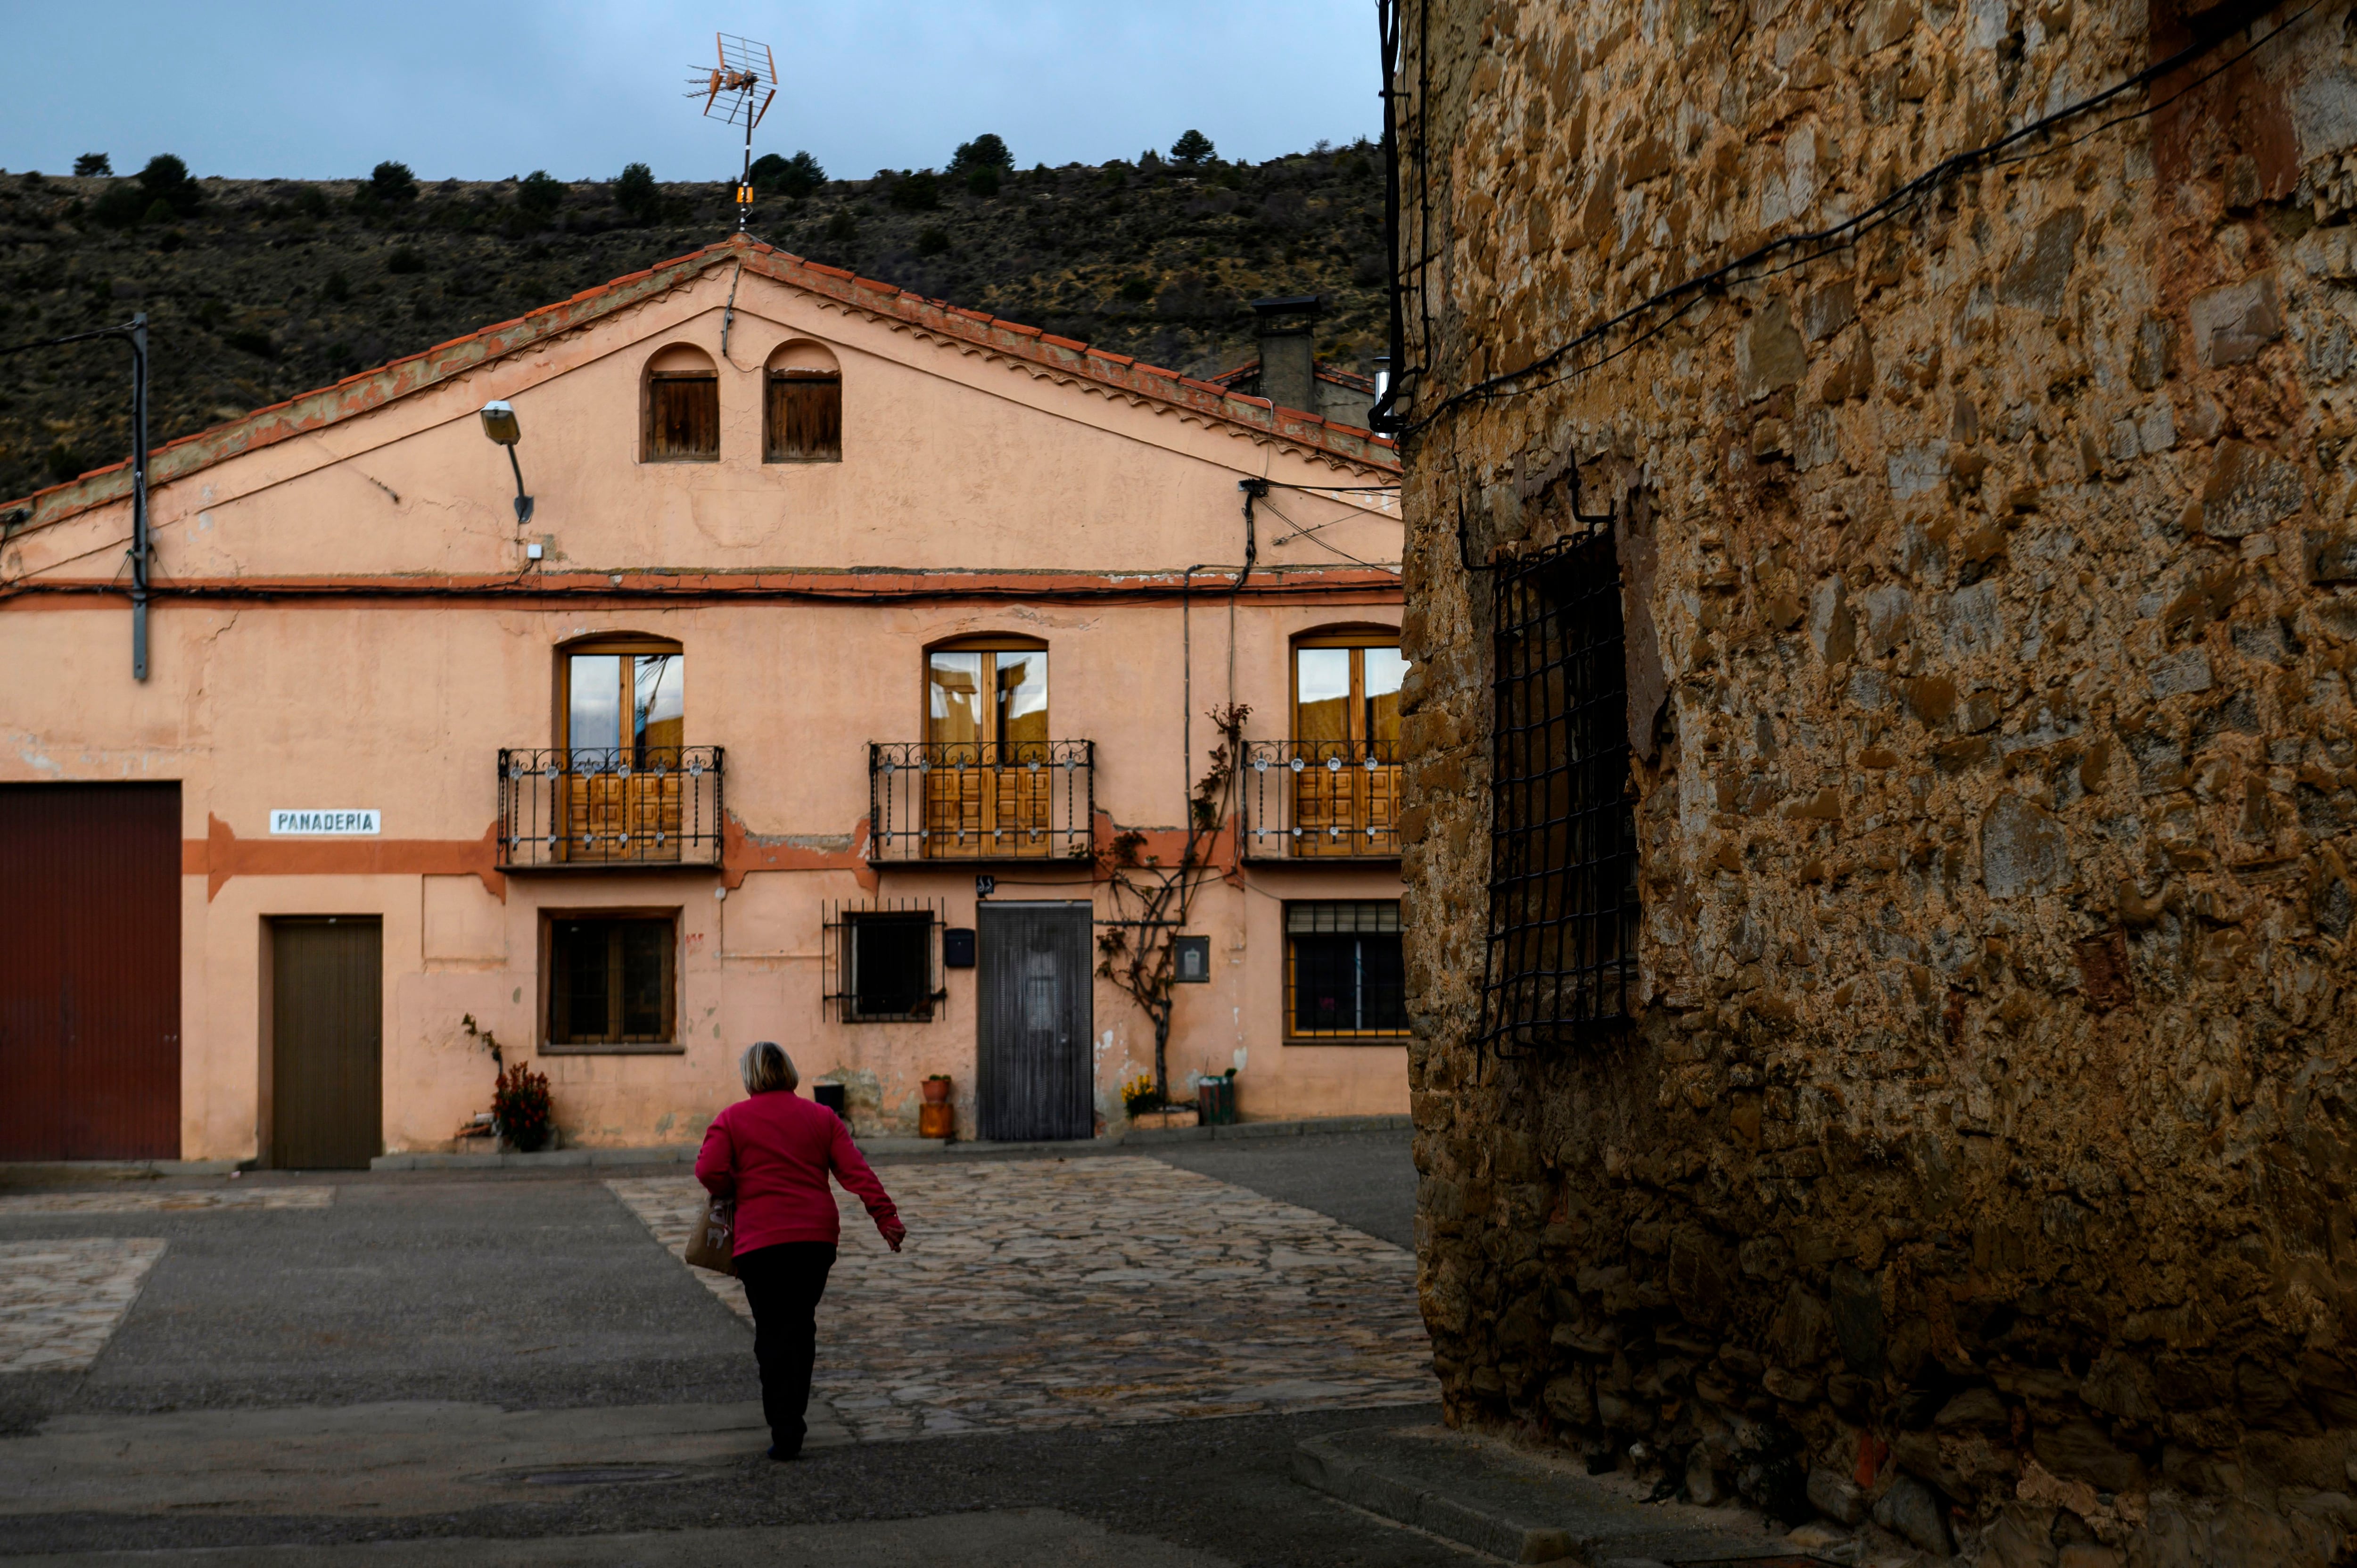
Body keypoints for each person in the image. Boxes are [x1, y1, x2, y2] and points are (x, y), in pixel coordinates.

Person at [696, 1041, 905, 1460]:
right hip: (814, 1241)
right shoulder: (822, 1117)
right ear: (789, 1071)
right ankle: (794, 1417)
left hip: (761, 1245)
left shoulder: (732, 1120)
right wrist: (886, 1218)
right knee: (800, 1324)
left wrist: (733, 1186)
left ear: (750, 1076)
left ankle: (785, 1426)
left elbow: (708, 1169)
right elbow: (855, 1171)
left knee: (773, 1331)